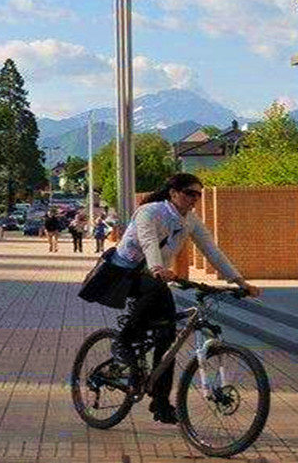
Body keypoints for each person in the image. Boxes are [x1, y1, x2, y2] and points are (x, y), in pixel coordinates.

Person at [106, 173, 260, 425]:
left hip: (154, 277)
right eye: (190, 193)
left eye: (199, 194)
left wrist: (240, 282)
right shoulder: (150, 211)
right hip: (125, 271)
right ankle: (123, 342)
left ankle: (160, 402)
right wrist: (157, 267)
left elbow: (211, 250)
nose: (195, 199)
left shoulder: (190, 220)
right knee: (156, 291)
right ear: (173, 193)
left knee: (167, 339)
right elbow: (148, 241)